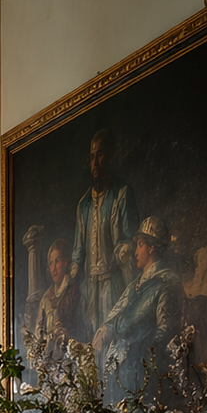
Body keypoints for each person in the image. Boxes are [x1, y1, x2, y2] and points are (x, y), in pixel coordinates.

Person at [92, 216, 186, 394]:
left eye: (140, 244)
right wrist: (106, 329)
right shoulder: (135, 284)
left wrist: (137, 354)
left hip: (143, 377)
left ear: (152, 247)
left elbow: (165, 334)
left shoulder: (167, 283)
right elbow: (118, 313)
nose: (135, 252)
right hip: (121, 373)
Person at [70, 129, 140, 330]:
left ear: (110, 156)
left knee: (114, 336)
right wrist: (72, 276)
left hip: (115, 283)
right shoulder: (83, 205)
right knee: (94, 340)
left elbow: (131, 238)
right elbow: (78, 252)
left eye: (100, 154)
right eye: (92, 157)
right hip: (91, 288)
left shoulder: (122, 193)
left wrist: (124, 250)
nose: (95, 162)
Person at [34, 238, 86, 346]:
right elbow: (38, 332)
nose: (53, 269)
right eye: (51, 263)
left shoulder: (75, 292)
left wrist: (68, 335)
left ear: (65, 262)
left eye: (57, 261)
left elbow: (85, 329)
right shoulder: (46, 299)